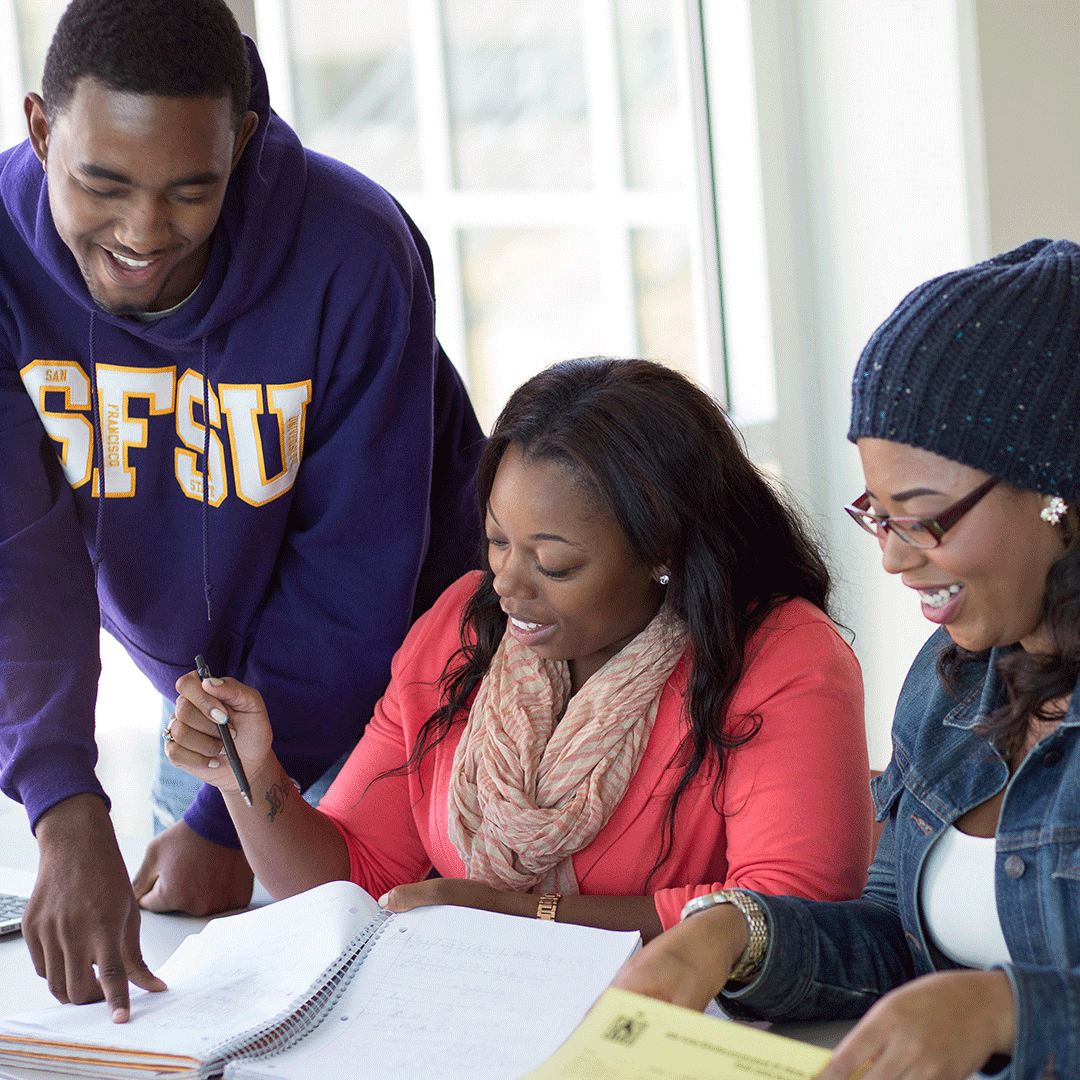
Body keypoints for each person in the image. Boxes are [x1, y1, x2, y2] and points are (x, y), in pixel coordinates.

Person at [0, 0, 483, 1022]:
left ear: (242, 141)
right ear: (42, 129)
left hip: (417, 701)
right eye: (101, 183)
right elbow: (16, 554)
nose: (141, 233)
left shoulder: (354, 251)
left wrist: (228, 825)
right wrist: (62, 799)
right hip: (220, 721)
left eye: (191, 190)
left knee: (407, 1005)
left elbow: (356, 577)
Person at [166, 356, 871, 946]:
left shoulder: (778, 656)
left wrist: (517, 915)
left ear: (664, 549)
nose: (506, 584)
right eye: (499, 541)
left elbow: (788, 913)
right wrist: (248, 778)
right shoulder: (463, 626)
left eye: (554, 564)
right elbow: (357, 886)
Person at [612, 238, 1080, 1080]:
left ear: (1059, 496)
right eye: (878, 512)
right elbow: (900, 946)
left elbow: (966, 1002)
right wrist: (738, 934)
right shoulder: (954, 681)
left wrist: (1005, 1009)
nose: (895, 558)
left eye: (925, 516)